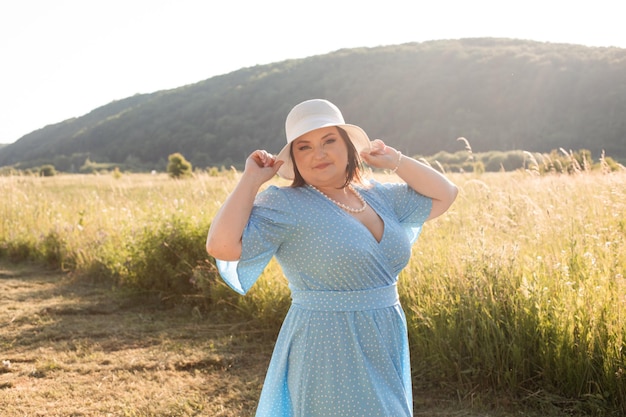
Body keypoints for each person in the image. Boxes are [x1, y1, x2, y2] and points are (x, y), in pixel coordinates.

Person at [206, 99, 458, 417]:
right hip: (327, 344)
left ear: (348, 146)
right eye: (305, 147)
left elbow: (446, 194)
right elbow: (220, 245)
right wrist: (251, 180)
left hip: (384, 336)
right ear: (294, 159)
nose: (319, 154)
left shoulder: (378, 194)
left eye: (329, 141)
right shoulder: (285, 204)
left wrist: (395, 160)